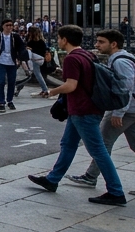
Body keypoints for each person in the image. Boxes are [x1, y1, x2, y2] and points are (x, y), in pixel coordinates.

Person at [28, 25, 126, 206]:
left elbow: (71, 85)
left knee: (98, 151)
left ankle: (116, 191)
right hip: (85, 108)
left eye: (59, 38)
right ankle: (52, 179)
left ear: (65, 39)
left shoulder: (72, 58)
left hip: (83, 110)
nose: (58, 41)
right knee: (68, 144)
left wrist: (51, 92)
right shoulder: (88, 54)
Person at [66, 29, 135, 199]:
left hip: (126, 110)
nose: (97, 45)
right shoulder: (124, 57)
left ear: (113, 44)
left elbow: (126, 88)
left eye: (101, 42)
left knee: (102, 145)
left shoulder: (120, 61)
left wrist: (118, 113)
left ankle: (92, 178)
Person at [0, 19, 32, 112]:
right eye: (7, 25)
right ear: (3, 26)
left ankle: (10, 100)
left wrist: (21, 57)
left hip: (12, 62)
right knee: (1, 81)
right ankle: (1, 102)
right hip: (0, 61)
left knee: (12, 81)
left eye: (11, 25)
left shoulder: (15, 37)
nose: (9, 27)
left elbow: (21, 47)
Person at [23, 26, 52, 98]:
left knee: (37, 74)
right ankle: (44, 89)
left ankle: (45, 89)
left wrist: (29, 48)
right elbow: (44, 49)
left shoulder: (31, 41)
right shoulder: (41, 41)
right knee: (37, 73)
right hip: (40, 59)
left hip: (36, 59)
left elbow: (28, 47)